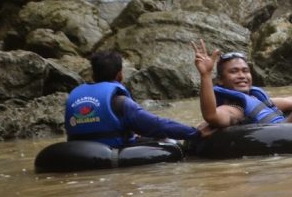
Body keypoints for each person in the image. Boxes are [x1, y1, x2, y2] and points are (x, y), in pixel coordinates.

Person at [65, 50, 203, 147]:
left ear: (93, 76)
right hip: (111, 151)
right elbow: (158, 125)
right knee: (170, 142)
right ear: (120, 75)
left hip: (77, 153)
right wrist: (194, 132)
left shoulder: (74, 98)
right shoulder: (120, 102)